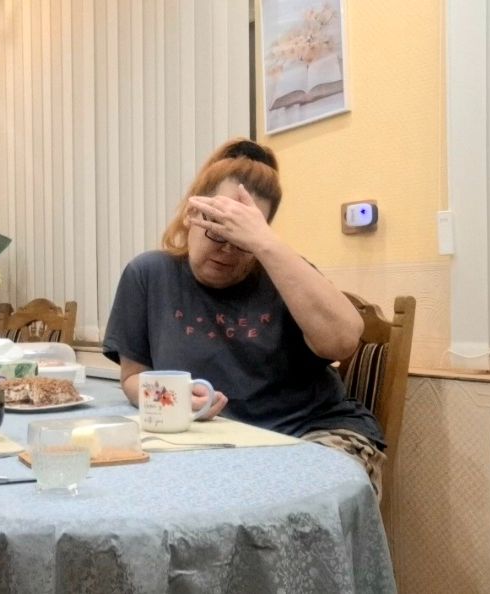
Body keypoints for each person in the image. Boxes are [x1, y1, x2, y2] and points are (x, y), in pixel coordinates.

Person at [103, 138, 386, 496]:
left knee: (294, 502)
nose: (227, 249)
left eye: (242, 237)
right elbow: (133, 377)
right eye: (217, 226)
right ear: (192, 214)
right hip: (208, 440)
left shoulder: (283, 271)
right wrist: (172, 400)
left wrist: (265, 244)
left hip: (310, 432)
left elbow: (343, 341)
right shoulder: (148, 274)